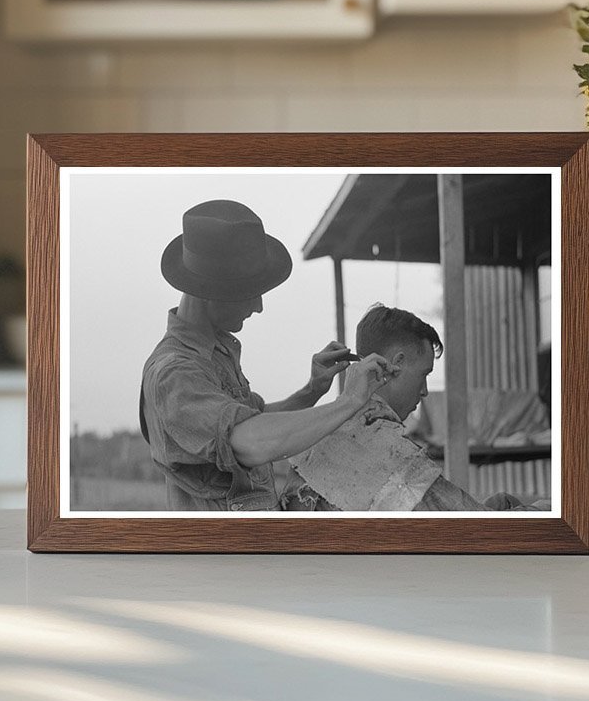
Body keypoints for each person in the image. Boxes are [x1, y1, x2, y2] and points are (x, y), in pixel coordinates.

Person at [140, 199, 397, 511]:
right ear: (212, 290)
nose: (258, 306)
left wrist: (312, 390)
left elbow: (257, 423)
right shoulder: (174, 374)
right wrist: (349, 401)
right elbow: (251, 442)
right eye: (252, 291)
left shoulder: (215, 353)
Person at [283, 305, 519, 512]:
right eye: (424, 374)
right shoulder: (389, 450)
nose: (425, 390)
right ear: (396, 364)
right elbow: (472, 528)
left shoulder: (313, 436)